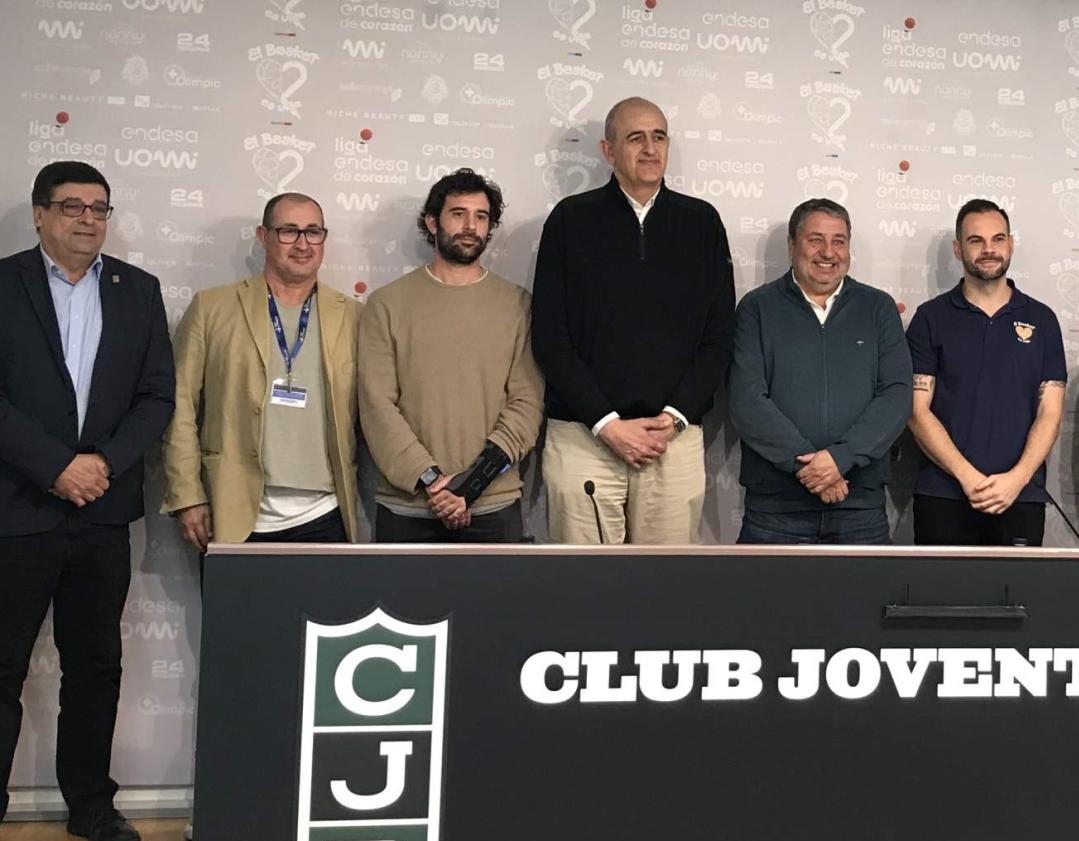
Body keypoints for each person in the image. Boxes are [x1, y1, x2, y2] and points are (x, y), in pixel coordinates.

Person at [0, 161, 174, 841]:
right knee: (2, 669)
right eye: (72, 206)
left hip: (102, 509)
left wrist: (101, 462)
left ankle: (91, 806)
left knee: (96, 666)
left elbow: (156, 396)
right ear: (40, 214)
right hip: (16, 508)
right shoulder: (4, 282)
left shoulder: (139, 290)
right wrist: (54, 467)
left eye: (99, 208)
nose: (87, 219)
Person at [531, 97, 736, 544]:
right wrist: (605, 423)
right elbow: (550, 336)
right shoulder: (570, 220)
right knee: (583, 583)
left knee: (663, 585)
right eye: (635, 138)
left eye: (659, 137)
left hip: (671, 439)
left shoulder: (702, 223)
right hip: (583, 437)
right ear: (608, 151)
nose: (650, 149)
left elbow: (719, 337)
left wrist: (674, 418)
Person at [162, 193, 360, 547]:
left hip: (326, 514)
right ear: (263, 236)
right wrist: (187, 495)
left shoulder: (354, 316)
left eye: (313, 232)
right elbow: (179, 405)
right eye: (289, 231)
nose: (303, 244)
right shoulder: (212, 307)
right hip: (232, 511)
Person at [358, 168, 544, 543]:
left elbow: (526, 403)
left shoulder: (518, 305)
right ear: (432, 222)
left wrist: (470, 486)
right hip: (407, 507)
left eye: (481, 217)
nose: (470, 227)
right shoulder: (386, 304)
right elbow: (377, 407)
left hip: (493, 506)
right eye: (458, 214)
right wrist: (432, 482)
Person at [726, 199, 910, 544]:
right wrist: (809, 468)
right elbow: (747, 399)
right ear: (792, 246)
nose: (828, 252)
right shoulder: (757, 308)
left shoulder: (878, 308)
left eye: (839, 241)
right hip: (776, 511)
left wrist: (841, 459)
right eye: (815, 240)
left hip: (859, 507)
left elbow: (896, 396)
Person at [907, 199, 1066, 546]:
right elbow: (917, 412)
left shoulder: (1042, 319)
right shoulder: (930, 318)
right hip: (944, 495)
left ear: (1011, 244)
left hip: (1019, 497)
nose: (988, 249)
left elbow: (1050, 413)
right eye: (976, 240)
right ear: (957, 249)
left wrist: (1017, 479)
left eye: (998, 239)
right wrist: (968, 478)